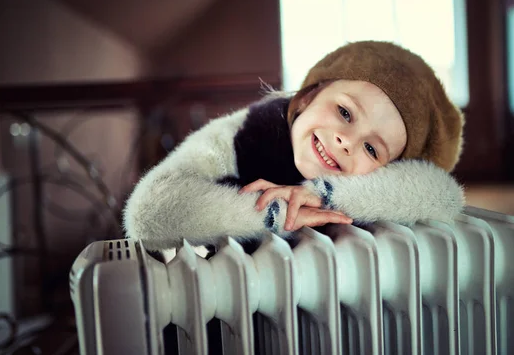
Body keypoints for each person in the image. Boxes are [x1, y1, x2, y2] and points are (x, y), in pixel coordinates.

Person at [123, 41, 465, 251]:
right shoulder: (241, 132)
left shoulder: (365, 186)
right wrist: (274, 213)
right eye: (344, 112)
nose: (347, 142)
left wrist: (327, 195)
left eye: (372, 150)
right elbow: (147, 214)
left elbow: (445, 196)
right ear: (308, 96)